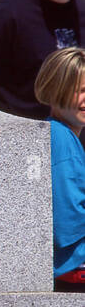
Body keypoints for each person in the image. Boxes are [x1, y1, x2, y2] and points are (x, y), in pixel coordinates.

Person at [34, 47, 85, 290]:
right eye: (81, 91)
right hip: (74, 266)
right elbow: (66, 223)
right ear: (56, 91)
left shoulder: (61, 135)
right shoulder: (61, 139)